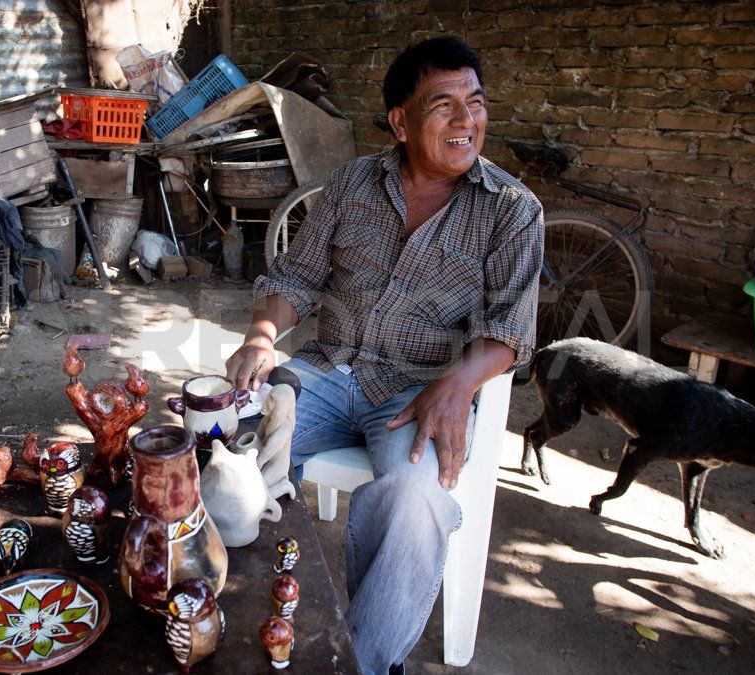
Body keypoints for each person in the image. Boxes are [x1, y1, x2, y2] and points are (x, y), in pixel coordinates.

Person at [225, 37, 543, 673]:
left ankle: (360, 662)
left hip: (418, 390)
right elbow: (296, 279)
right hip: (323, 371)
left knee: (415, 499)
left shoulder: (512, 211)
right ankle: (224, 617)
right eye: (443, 106)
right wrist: (262, 336)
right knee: (216, 438)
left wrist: (459, 386)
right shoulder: (351, 185)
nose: (466, 122)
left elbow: (510, 327)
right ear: (400, 121)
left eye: (475, 104)